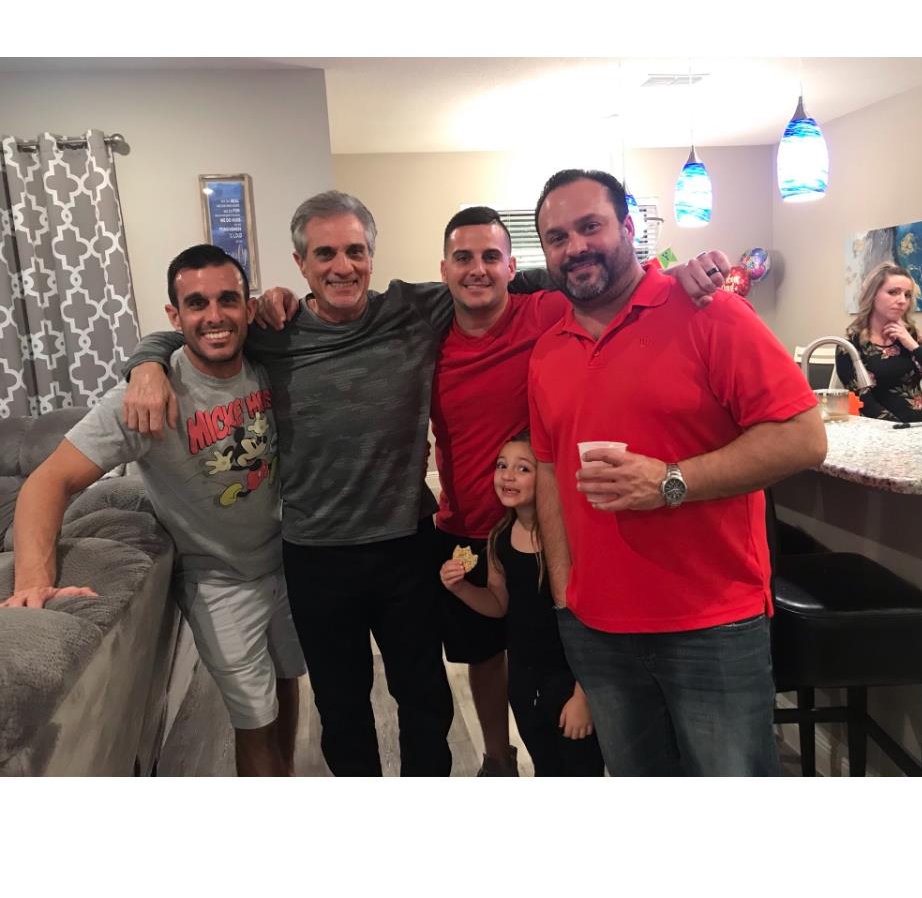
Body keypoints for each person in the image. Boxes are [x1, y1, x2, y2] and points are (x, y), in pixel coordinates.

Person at [125, 192, 730, 777]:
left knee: (425, 699)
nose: (343, 266)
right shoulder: (272, 331)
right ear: (300, 264)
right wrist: (147, 361)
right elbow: (201, 330)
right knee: (342, 707)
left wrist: (673, 275)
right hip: (315, 553)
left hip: (406, 541)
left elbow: (548, 277)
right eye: (326, 254)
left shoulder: (414, 309)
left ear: (372, 255)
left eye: (355, 251)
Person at [528, 168, 827, 776]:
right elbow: (548, 473)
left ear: (630, 229)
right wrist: (565, 599)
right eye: (557, 237)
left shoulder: (710, 312)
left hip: (710, 624)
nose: (575, 246)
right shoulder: (547, 349)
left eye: (591, 226)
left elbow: (804, 437)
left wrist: (671, 481)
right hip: (597, 627)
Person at [432, 205, 730, 775]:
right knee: (488, 652)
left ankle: (582, 736)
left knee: (562, 641)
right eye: (464, 259)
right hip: (469, 522)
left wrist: (681, 270)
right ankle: (497, 758)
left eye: (491, 257)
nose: (478, 269)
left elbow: (614, 283)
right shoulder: (425, 334)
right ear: (443, 268)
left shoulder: (545, 308)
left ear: (513, 264)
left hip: (551, 523)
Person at [1, 245, 304, 777]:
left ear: (247, 306)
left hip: (292, 562)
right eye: (197, 303)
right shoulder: (141, 400)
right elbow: (47, 481)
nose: (214, 316)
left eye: (228, 299)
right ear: (175, 315)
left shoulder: (266, 359)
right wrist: (31, 579)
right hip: (219, 581)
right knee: (253, 720)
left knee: (285, 681)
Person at [440, 431, 605, 776]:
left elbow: (593, 622)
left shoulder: (567, 540)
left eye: (523, 468)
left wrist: (584, 696)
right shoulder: (499, 537)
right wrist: (460, 589)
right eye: (502, 465)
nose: (508, 475)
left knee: (580, 769)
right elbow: (499, 604)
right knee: (545, 763)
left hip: (571, 683)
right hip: (525, 681)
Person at [836, 261, 922, 422]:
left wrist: (913, 346)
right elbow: (864, 402)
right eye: (893, 292)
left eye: (907, 295)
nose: (902, 301)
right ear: (873, 295)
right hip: (880, 432)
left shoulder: (910, 335)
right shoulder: (850, 345)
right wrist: (901, 430)